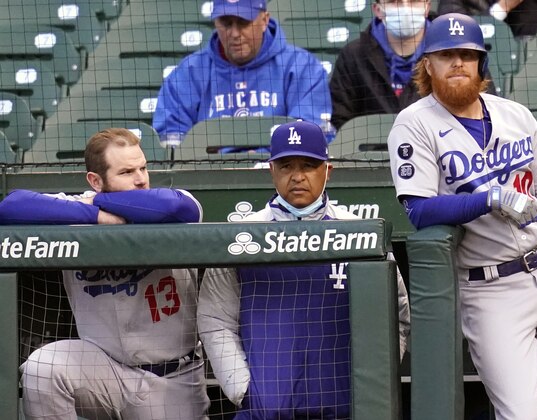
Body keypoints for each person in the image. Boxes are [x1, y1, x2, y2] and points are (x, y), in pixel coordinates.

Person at [387, 13, 537, 419]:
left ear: (480, 63)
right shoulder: (413, 124)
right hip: (489, 289)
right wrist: (490, 198)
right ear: (428, 65)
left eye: (467, 55)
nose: (458, 63)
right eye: (446, 54)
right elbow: (418, 209)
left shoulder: (516, 115)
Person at [197, 120, 410, 419]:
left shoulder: (359, 234)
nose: (297, 176)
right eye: (286, 166)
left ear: (327, 170)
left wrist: (370, 387)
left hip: (347, 409)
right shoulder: (241, 237)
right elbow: (215, 321)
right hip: (264, 411)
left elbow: (396, 317)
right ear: (272, 170)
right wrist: (245, 392)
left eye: (309, 165)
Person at [0, 128, 210, 419]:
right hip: (103, 371)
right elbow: (11, 206)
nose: (140, 179)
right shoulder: (78, 212)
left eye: (143, 168)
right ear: (96, 181)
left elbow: (173, 206)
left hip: (172, 378)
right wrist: (94, 215)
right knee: (43, 368)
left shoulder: (174, 203)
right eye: (126, 172)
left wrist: (93, 204)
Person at [153, 0, 333, 147]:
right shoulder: (188, 73)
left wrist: (265, 157)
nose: (234, 33)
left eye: (243, 22)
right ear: (215, 22)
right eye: (226, 23)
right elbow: (172, 140)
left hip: (280, 173)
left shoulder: (302, 67)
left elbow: (308, 136)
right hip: (210, 176)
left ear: (264, 20)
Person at [329, 0, 433, 130]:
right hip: (370, 148)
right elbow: (340, 118)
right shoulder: (353, 55)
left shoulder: (446, 54)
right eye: (394, 2)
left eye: (414, 1)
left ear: (427, 7)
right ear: (378, 10)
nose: (405, 9)